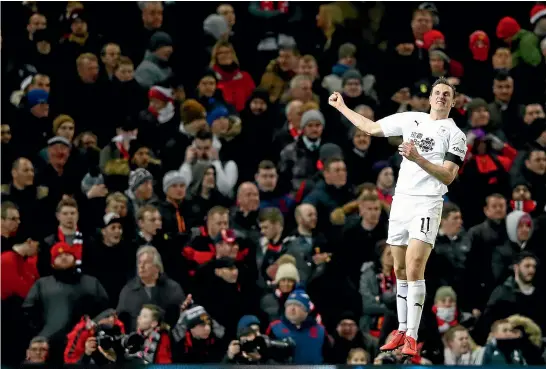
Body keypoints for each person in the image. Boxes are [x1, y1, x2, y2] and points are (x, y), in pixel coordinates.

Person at [328, 76, 468, 356]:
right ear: (429, 99)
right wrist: (342, 107)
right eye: (437, 92)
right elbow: (371, 127)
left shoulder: (456, 135)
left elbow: (449, 176)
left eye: (446, 94)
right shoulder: (411, 119)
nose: (440, 97)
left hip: (427, 203)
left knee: (416, 265)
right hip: (401, 202)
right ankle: (402, 329)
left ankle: (413, 336)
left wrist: (418, 158)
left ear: (453, 102)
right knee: (399, 269)